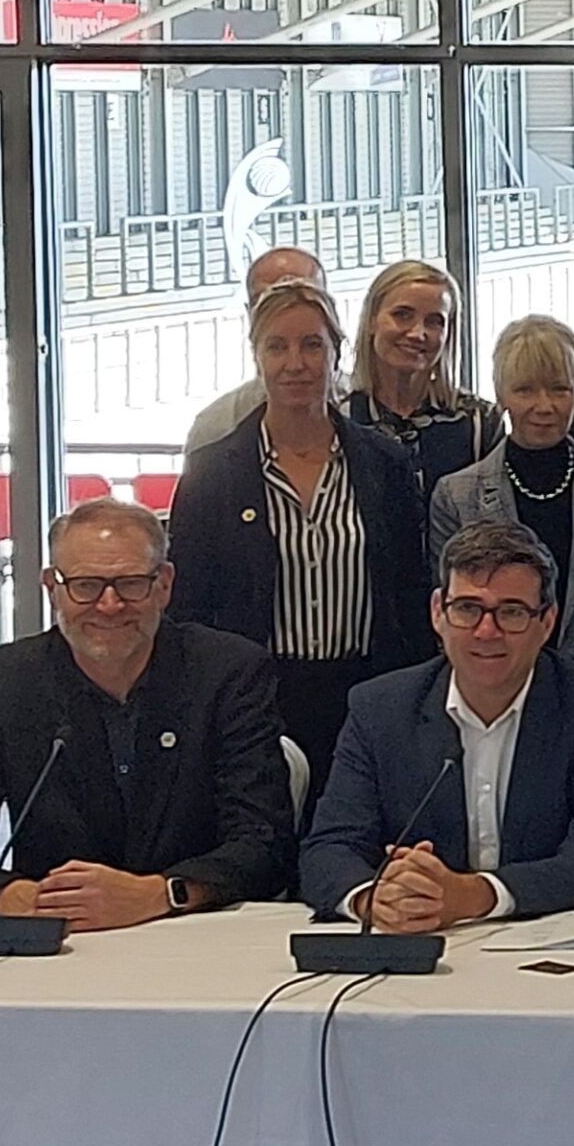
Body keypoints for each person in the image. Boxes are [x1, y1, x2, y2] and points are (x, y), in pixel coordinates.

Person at [0, 499, 294, 923]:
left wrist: (163, 894)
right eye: (85, 585)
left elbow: (265, 843)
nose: (109, 605)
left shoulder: (227, 673)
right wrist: (13, 896)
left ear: (164, 586)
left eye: (130, 584)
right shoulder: (5, 683)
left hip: (193, 930)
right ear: (53, 588)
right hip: (58, 937)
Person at [168, 279, 433, 803]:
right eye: (277, 346)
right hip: (256, 699)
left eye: (313, 345)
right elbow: (188, 609)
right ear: (256, 355)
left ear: (337, 352)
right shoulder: (213, 474)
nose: (296, 363)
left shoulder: (385, 465)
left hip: (366, 696)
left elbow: (409, 593)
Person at [303, 521, 574, 930]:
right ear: (437, 613)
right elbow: (328, 849)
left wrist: (471, 895)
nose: (486, 631)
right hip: (421, 950)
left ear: (547, 622)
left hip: (561, 954)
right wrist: (374, 899)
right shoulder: (379, 709)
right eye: (467, 608)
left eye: (512, 612)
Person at [430, 314, 574, 677]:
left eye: (559, 389)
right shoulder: (456, 495)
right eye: (525, 390)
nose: (543, 406)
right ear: (501, 395)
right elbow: (455, 617)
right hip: (488, 686)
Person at [343, 259, 503, 496]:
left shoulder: (481, 423)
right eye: (402, 315)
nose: (418, 333)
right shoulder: (339, 420)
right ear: (371, 322)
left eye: (434, 321)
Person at [184, 245, 330, 455]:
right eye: (266, 299)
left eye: (304, 294)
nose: (287, 308)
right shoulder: (215, 429)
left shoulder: (370, 416)